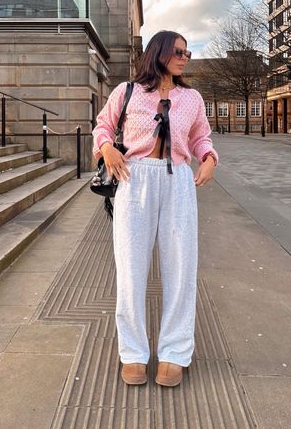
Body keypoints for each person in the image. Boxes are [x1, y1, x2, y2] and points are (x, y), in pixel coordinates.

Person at [92, 30, 219, 387]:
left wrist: (208, 157)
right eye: (178, 51)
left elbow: (200, 136)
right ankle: (132, 353)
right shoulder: (127, 91)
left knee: (181, 268)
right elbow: (102, 125)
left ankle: (174, 352)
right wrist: (107, 148)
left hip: (177, 180)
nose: (184, 57)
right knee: (131, 269)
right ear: (159, 52)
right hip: (135, 180)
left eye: (188, 52)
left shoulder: (192, 98)